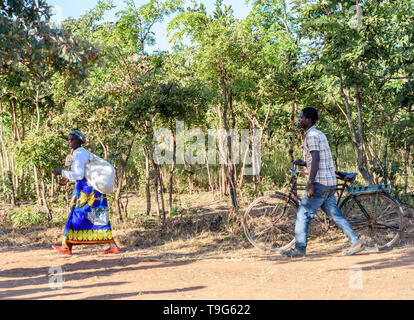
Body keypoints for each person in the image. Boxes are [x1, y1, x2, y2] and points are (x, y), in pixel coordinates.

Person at [280, 107, 365, 258]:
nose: (299, 120)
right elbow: (317, 159)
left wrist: (310, 183)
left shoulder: (311, 135)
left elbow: (317, 159)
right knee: (335, 216)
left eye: (301, 118)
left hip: (320, 183)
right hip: (329, 182)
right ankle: (356, 241)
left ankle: (299, 250)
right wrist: (305, 162)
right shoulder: (318, 133)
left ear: (308, 119)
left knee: (302, 215)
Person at [51, 130, 120, 255]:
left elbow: (79, 174)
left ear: (80, 141)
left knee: (79, 215)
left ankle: (68, 247)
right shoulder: (81, 153)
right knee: (97, 217)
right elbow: (81, 174)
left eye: (73, 140)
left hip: (88, 191)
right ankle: (111, 245)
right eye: (69, 140)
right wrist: (67, 179)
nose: (70, 142)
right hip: (90, 189)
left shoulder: (79, 153)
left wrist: (61, 171)